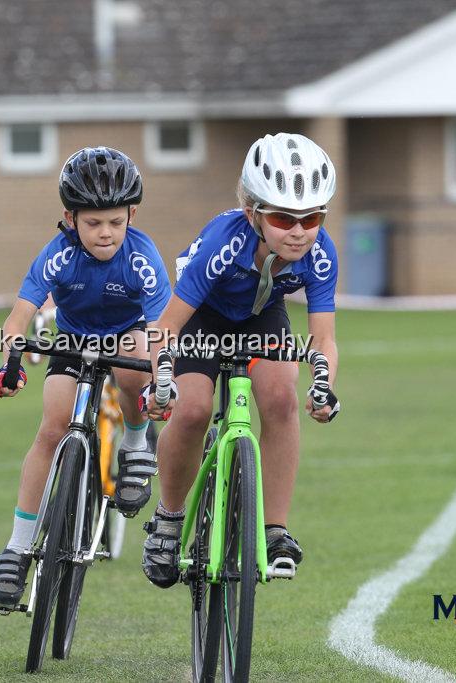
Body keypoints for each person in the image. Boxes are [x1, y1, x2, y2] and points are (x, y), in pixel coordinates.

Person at [141, 133, 341, 587]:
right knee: (190, 409)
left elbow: (323, 339)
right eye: (282, 217)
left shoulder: (321, 252)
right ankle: (169, 519)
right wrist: (161, 379)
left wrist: (324, 385)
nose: (298, 231)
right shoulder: (224, 243)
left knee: (281, 398)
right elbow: (166, 328)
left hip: (260, 314)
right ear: (253, 213)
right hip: (201, 316)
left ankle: (274, 531)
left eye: (311, 218)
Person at [0, 147, 170, 611]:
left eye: (115, 221)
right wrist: (11, 360)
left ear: (131, 214)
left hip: (129, 336)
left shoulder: (142, 258)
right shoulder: (58, 254)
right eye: (92, 223)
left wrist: (159, 380)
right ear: (69, 218)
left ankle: (134, 444)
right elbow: (18, 318)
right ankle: (18, 546)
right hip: (74, 338)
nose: (105, 233)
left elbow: (160, 330)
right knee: (52, 426)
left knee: (133, 370)